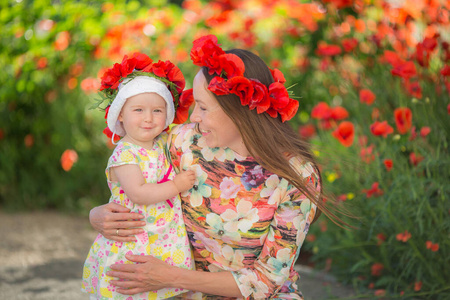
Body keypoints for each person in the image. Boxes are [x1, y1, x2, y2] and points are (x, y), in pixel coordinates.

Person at [89, 35, 344, 299]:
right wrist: (98, 215)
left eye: (202, 107)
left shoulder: (295, 175)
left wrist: (171, 276)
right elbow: (131, 170)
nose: (193, 117)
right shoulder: (182, 144)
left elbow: (267, 281)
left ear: (238, 111)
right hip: (177, 293)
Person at [81, 52, 196, 300]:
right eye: (138, 110)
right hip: (136, 237)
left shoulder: (163, 142)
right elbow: (139, 193)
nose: (148, 118)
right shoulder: (125, 153)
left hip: (162, 236)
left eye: (157, 110)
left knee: (163, 288)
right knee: (134, 288)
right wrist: (177, 184)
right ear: (120, 114)